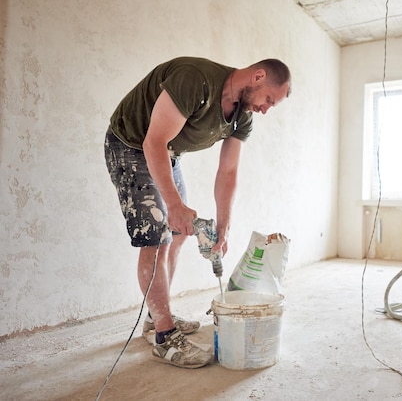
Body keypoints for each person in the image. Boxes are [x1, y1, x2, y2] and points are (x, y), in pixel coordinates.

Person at [104, 57, 291, 368]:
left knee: (177, 233)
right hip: (132, 145)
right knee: (156, 238)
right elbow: (154, 141)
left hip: (167, 152)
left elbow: (228, 172)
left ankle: (155, 315)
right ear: (258, 76)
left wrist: (225, 225)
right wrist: (174, 204)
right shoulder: (195, 80)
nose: (266, 109)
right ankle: (165, 338)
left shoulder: (241, 117)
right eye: (268, 99)